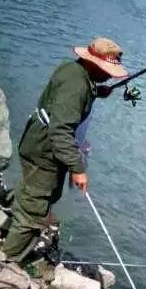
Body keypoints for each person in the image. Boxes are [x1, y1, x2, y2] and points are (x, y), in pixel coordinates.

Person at [2, 38, 128, 262]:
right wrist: (77, 168)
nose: (110, 74)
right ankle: (8, 260)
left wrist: (97, 91)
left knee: (41, 192)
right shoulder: (77, 87)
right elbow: (60, 131)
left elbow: (67, 96)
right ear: (93, 64)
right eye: (107, 70)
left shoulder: (73, 69)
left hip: (37, 142)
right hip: (45, 151)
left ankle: (10, 222)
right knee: (35, 207)